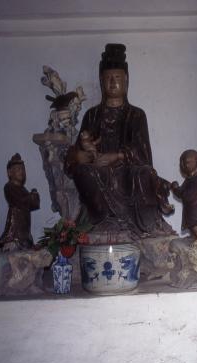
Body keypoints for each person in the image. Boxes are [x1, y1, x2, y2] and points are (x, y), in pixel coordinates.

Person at [65, 43, 174, 240]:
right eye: (108, 78)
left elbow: (143, 153)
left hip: (127, 172)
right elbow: (73, 155)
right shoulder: (92, 115)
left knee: (145, 173)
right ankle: (103, 218)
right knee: (82, 173)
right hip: (97, 171)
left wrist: (116, 155)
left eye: (117, 78)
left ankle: (135, 222)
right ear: (101, 81)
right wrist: (80, 156)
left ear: (126, 80)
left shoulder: (136, 115)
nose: (113, 82)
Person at [0, 153, 40, 251]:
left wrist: (34, 195)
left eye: (23, 169)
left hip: (25, 226)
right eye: (18, 169)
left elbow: (34, 204)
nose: (22, 172)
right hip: (15, 228)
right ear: (9, 172)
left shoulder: (23, 189)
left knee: (26, 242)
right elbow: (20, 201)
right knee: (17, 245)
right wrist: (32, 196)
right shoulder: (9, 187)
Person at [171, 149, 197, 247]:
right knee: (190, 223)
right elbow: (181, 192)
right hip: (189, 206)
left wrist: (184, 194)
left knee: (195, 222)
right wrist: (175, 188)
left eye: (189, 162)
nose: (186, 165)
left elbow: (192, 193)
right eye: (184, 163)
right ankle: (194, 236)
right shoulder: (188, 178)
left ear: (196, 162)